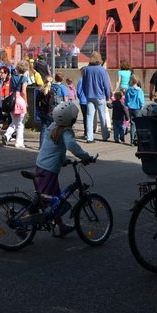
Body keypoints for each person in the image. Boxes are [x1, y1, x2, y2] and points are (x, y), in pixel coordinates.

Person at [33, 101, 95, 237]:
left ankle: (61, 227)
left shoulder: (53, 126)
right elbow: (71, 145)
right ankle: (24, 227)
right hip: (49, 170)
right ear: (71, 120)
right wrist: (85, 157)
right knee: (47, 201)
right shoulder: (65, 131)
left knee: (55, 199)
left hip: (43, 166)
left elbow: (54, 149)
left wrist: (62, 161)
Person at [81, 52, 112, 143]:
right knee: (102, 116)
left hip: (89, 96)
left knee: (89, 116)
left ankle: (89, 137)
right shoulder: (102, 70)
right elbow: (106, 85)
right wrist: (108, 97)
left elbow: (83, 84)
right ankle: (105, 135)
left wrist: (86, 93)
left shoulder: (86, 70)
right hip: (100, 96)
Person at [3, 60, 31, 148]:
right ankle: (19, 142)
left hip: (13, 99)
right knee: (20, 124)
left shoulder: (12, 78)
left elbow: (10, 89)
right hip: (20, 100)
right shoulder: (24, 79)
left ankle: (7, 135)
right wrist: (26, 102)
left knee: (14, 122)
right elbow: (23, 91)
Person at [35, 74, 56, 146]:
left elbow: (37, 102)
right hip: (49, 112)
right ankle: (50, 145)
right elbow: (50, 103)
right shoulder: (51, 91)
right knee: (52, 128)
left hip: (42, 111)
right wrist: (51, 111)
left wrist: (38, 110)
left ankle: (41, 146)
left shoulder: (40, 90)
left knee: (43, 129)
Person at [124, 75, 146, 145]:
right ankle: (138, 139)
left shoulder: (128, 90)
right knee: (139, 124)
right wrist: (142, 106)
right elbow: (140, 99)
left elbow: (126, 99)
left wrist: (127, 104)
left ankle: (132, 140)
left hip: (131, 108)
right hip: (138, 108)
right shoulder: (139, 90)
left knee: (132, 124)